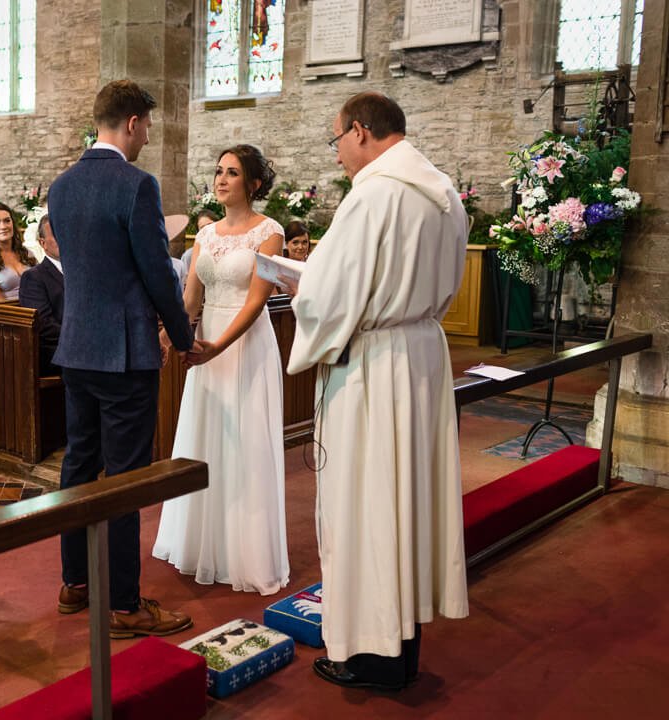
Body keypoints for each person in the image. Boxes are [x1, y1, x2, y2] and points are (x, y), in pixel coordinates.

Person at [287, 91, 468, 692]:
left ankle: (370, 654)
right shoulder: (442, 193)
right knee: (406, 502)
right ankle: (403, 644)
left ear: (360, 132)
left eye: (336, 139)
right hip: (420, 358)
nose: (338, 154)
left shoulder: (374, 196)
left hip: (373, 366)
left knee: (365, 506)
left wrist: (300, 287)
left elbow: (325, 297)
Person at [47, 79, 196, 639]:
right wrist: (183, 338)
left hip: (77, 349)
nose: (148, 138)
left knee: (79, 467)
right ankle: (127, 605)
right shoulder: (136, 185)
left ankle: (75, 582)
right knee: (127, 480)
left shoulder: (61, 187)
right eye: (148, 126)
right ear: (132, 122)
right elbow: (158, 272)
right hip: (126, 353)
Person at [152, 144, 289, 596]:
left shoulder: (270, 232)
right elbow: (190, 301)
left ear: (252, 184)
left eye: (232, 172)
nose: (221, 179)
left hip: (244, 345)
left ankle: (244, 553)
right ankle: (199, 543)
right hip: (206, 342)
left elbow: (256, 301)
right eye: (218, 171)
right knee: (206, 440)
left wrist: (218, 347)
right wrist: (169, 337)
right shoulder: (204, 237)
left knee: (245, 443)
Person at [18, 214, 63, 375]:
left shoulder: (81, 272)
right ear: (42, 243)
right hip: (55, 351)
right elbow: (43, 325)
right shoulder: (34, 277)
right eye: (57, 234)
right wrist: (79, 336)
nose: (64, 238)